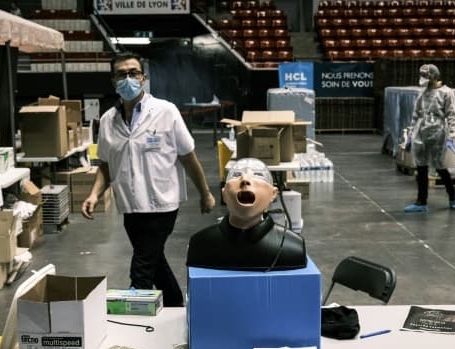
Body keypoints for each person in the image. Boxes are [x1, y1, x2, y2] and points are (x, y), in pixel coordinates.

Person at [82, 51, 216, 306]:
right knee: (156, 265)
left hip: (161, 204)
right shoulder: (109, 120)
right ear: (113, 81)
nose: (128, 78)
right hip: (131, 207)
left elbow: (188, 156)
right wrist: (94, 194)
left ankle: (131, 321)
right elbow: (106, 164)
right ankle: (177, 307)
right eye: (121, 74)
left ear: (143, 78)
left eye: (133, 73)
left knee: (141, 271)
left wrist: (205, 193)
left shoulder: (166, 111)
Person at [186, 158, 306, 271]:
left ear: (273, 194)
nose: (245, 179)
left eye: (258, 175)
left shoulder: (293, 247)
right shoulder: (201, 244)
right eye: (236, 175)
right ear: (224, 193)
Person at [404, 64, 455, 213]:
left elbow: (452, 116)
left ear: (434, 76)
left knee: (440, 166)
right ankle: (421, 201)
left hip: (437, 132)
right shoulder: (422, 92)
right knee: (421, 167)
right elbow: (416, 113)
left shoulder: (446, 93)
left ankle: (453, 196)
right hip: (420, 132)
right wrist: (410, 134)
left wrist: (451, 137)